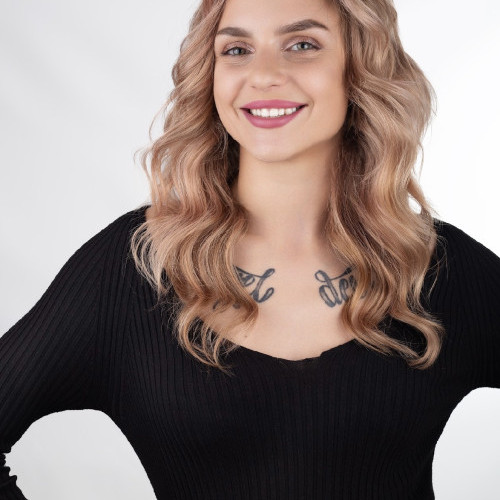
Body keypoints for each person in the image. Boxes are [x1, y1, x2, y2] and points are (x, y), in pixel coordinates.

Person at [1, 0, 499, 498]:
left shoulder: (437, 266)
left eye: (302, 45)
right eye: (237, 50)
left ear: (360, 68)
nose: (262, 75)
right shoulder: (134, 266)